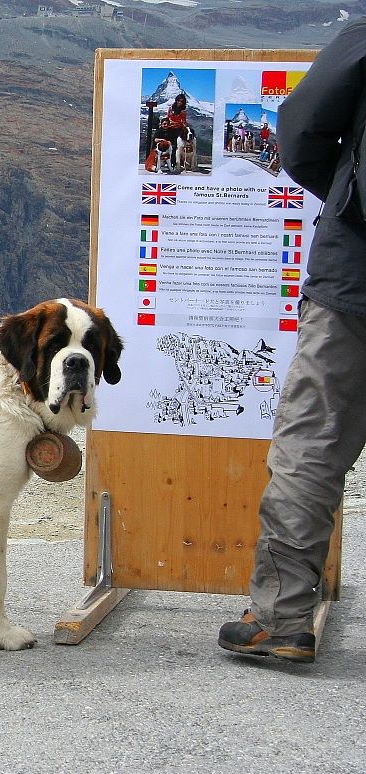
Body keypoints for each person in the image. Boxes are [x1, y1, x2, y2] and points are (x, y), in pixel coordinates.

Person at [217, 18, 366, 664]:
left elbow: (301, 128)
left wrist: (343, 192)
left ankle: (281, 619)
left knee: (311, 447)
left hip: (354, 277)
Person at [154, 93, 191, 173]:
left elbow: (183, 121)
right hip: (170, 129)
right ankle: (162, 162)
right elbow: (168, 117)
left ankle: (173, 163)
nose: (180, 102)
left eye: (182, 101)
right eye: (179, 100)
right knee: (168, 145)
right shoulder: (171, 108)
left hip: (178, 130)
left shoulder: (183, 111)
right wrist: (168, 124)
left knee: (175, 147)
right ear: (176, 100)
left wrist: (184, 128)